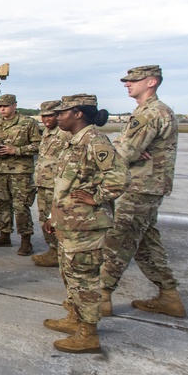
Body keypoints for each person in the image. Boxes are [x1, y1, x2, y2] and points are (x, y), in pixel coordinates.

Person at [42, 94, 126, 353]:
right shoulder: (73, 142)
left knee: (84, 278)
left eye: (63, 112)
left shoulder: (95, 140)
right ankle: (75, 318)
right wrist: (52, 217)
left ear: (79, 113)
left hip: (87, 225)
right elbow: (65, 185)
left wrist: (96, 197)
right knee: (70, 275)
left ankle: (88, 334)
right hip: (69, 222)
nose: (58, 117)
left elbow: (120, 178)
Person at [100, 66, 186, 318]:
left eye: (133, 81)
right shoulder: (149, 111)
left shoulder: (150, 113)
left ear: (151, 82)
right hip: (146, 185)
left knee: (119, 239)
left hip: (140, 186)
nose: (127, 84)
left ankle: (100, 297)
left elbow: (125, 153)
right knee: (146, 243)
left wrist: (118, 147)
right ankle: (169, 296)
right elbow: (128, 148)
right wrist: (123, 146)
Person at [0, 93, 42, 256]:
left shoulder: (28, 123)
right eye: (0, 106)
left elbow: (38, 145)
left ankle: (25, 240)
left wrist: (17, 150)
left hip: (20, 172)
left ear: (14, 106)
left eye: (5, 106)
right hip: (1, 171)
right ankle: (4, 235)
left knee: (21, 206)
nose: (2, 109)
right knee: (1, 203)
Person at [31, 100, 70, 267]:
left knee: (58, 220)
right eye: (44, 115)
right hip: (44, 184)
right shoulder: (47, 133)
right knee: (44, 219)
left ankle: (61, 252)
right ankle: (53, 250)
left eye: (50, 115)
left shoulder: (65, 134)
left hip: (57, 186)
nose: (46, 119)